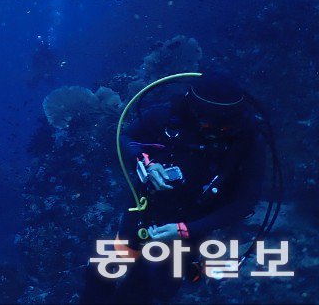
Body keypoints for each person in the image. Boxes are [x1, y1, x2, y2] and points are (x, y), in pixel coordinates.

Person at [81, 74, 272, 304]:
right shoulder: (168, 116)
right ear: (192, 107)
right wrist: (145, 162)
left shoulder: (248, 141)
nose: (210, 129)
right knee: (104, 273)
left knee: (150, 290)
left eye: (221, 124)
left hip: (193, 226)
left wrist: (185, 230)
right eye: (205, 120)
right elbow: (127, 136)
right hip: (146, 212)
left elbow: (245, 202)